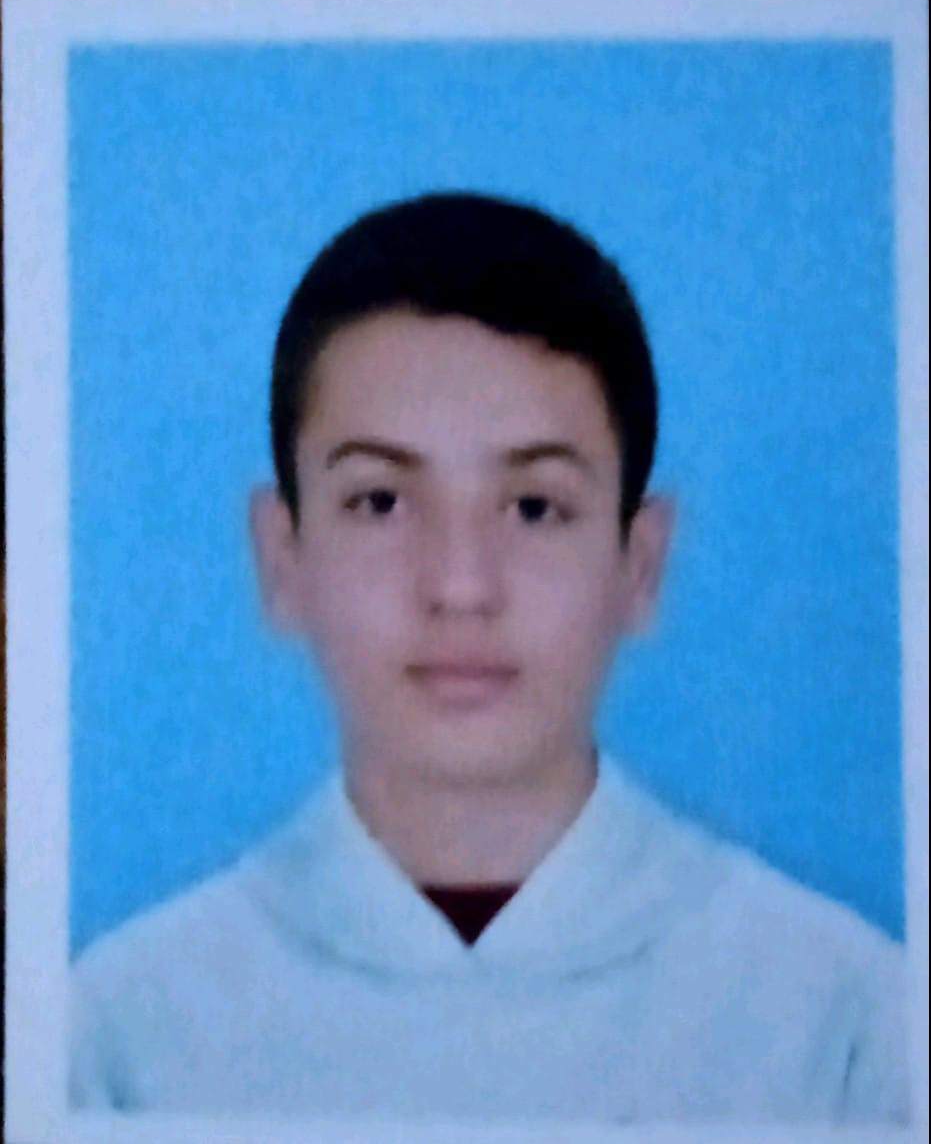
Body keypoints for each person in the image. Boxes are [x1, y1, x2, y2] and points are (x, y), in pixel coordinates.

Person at [70, 193, 908, 1122]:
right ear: (282, 557)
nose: (461, 586)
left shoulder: (845, 1028)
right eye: (380, 501)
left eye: (534, 507)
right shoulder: (120, 1036)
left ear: (639, 563)